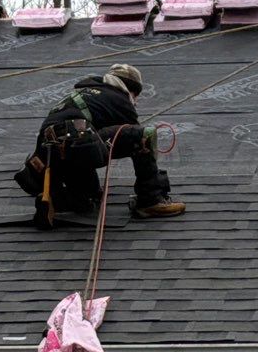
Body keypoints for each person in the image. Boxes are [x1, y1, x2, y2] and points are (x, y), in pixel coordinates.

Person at [14, 63, 184, 228]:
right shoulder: (120, 98)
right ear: (130, 89)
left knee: (89, 199)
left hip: (52, 156)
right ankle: (150, 201)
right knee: (143, 135)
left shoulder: (83, 94)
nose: (136, 101)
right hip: (79, 144)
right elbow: (135, 138)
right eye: (136, 95)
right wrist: (158, 181)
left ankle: (56, 198)